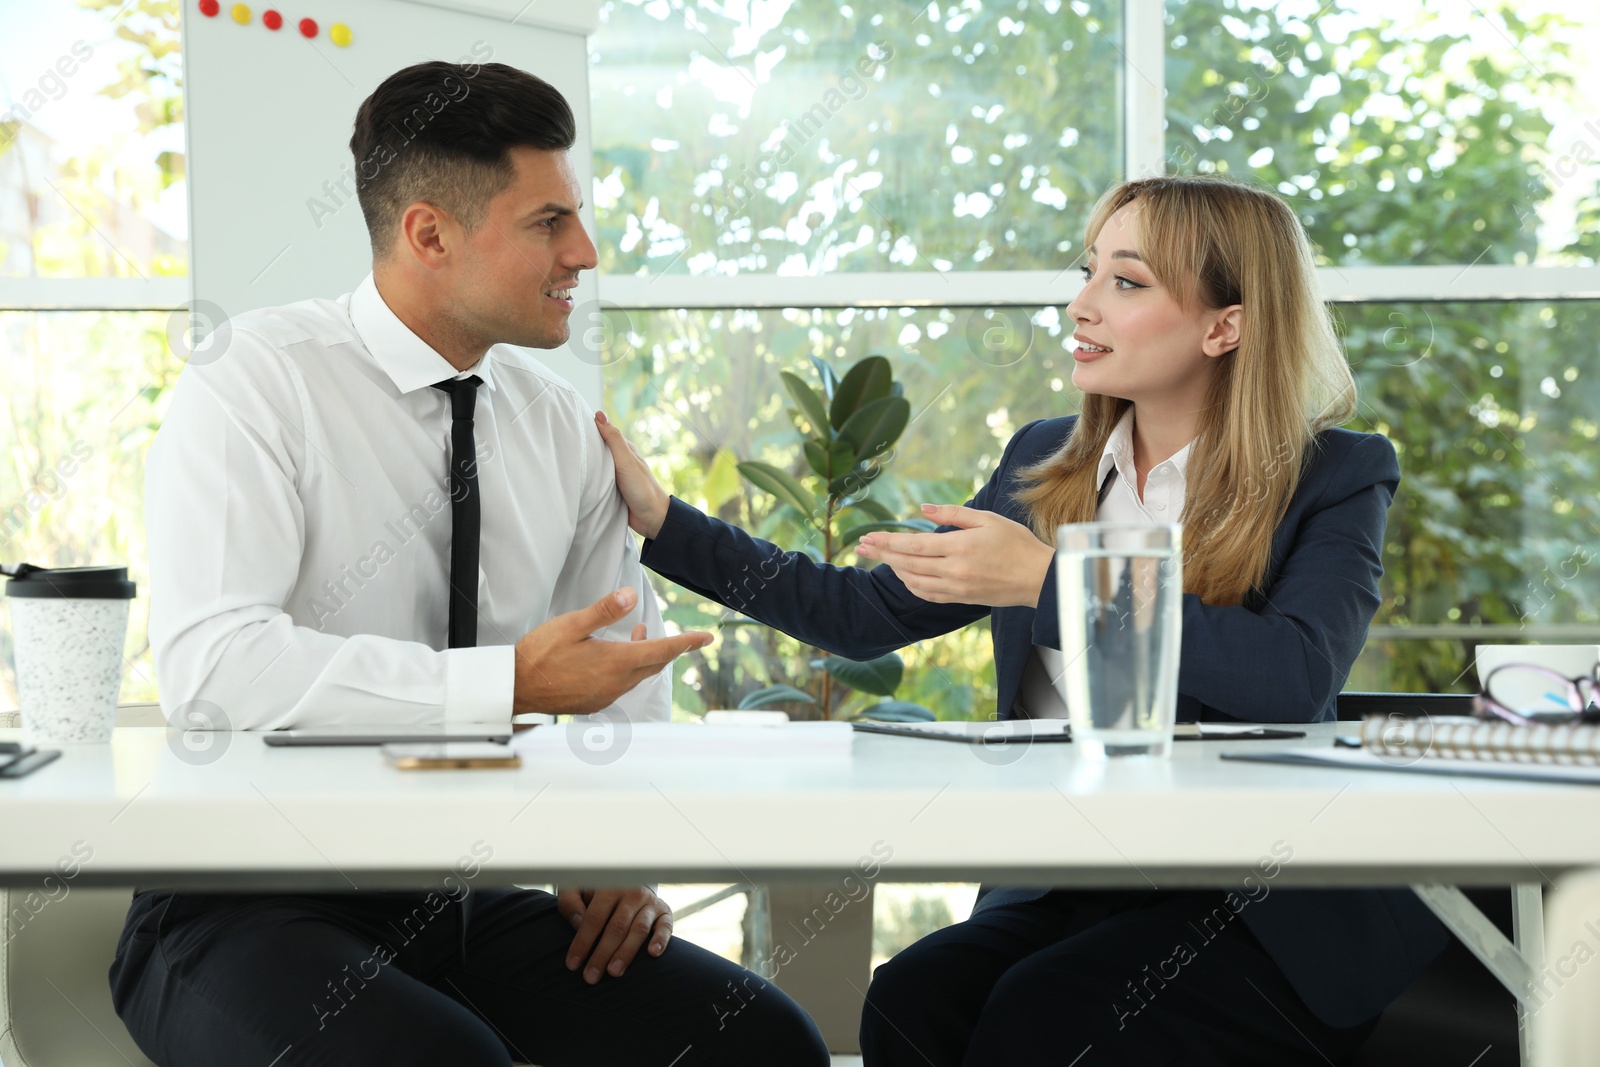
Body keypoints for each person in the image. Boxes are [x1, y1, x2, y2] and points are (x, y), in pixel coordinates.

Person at [595, 174, 1448, 1065]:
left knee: (1046, 1015)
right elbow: (857, 614)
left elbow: (1293, 673)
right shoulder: (1046, 459)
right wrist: (664, 522)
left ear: (1223, 325)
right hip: (1069, 878)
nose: (1080, 304)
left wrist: (1054, 581)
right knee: (908, 1000)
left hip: (1245, 899)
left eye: (1126, 281)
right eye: (1088, 272)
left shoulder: (1335, 474)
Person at [110, 61, 828, 1067]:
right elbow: (219, 669)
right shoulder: (254, 382)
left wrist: (614, 857)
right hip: (244, 897)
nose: (583, 251)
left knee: (760, 1042)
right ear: (430, 235)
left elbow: (616, 664)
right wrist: (509, 684)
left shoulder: (560, 427)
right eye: (547, 223)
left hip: (465, 897)